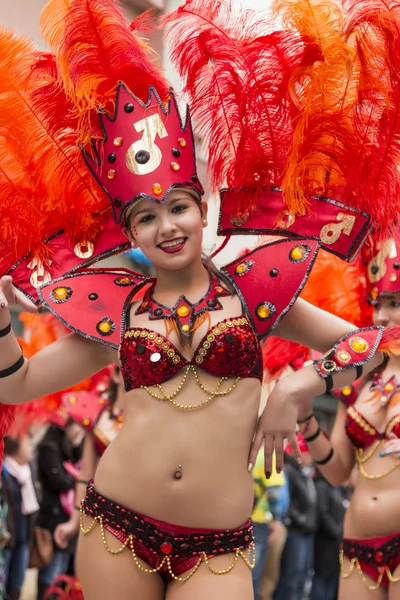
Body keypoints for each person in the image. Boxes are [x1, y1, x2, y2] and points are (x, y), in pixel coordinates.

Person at [0, 1, 400, 599]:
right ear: (129, 232)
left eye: (179, 207)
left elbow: (369, 344)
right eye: (145, 216)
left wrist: (298, 387)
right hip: (117, 527)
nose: (166, 226)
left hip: (218, 546)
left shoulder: (258, 291)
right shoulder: (118, 307)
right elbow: (16, 384)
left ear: (203, 208)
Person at [297, 236, 400, 597]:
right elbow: (339, 471)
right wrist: (306, 420)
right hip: (357, 542)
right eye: (378, 304)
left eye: (395, 303)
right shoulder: (358, 380)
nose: (383, 316)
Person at [54, 366, 124, 552]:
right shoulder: (97, 415)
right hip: (100, 513)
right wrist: (74, 521)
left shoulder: (148, 419)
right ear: (116, 375)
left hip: (139, 516)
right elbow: (85, 474)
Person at [36, 415, 84, 600]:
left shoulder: (68, 448)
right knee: (51, 573)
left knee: (63, 570)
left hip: (65, 515)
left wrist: (79, 444)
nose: (78, 430)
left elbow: (81, 470)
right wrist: (77, 479)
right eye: (76, 426)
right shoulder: (49, 447)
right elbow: (61, 481)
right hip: (54, 517)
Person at [274, 435, 317, 600]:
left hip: (306, 532)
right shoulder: (290, 472)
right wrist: (301, 520)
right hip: (295, 531)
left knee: (301, 575)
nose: (311, 458)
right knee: (291, 576)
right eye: (308, 453)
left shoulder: (303, 474)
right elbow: (287, 502)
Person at [3, 434, 39, 600]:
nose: (32, 447)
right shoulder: (4, 472)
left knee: (17, 585)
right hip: (7, 539)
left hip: (23, 537)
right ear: (15, 447)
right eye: (27, 444)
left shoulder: (28, 471)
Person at [311, 469, 346, 600]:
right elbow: (323, 513)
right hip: (325, 542)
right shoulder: (322, 486)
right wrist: (337, 532)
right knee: (322, 578)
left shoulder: (333, 488)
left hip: (335, 543)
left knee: (332, 578)